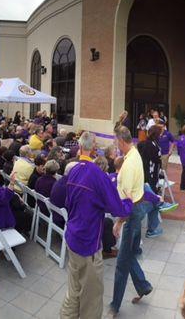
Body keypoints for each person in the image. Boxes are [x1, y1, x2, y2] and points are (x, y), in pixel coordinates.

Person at [60, 131, 133, 319]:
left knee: (74, 289)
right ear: (94, 148)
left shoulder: (73, 170)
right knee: (92, 298)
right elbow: (118, 209)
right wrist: (129, 201)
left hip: (72, 236)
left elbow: (68, 203)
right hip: (88, 244)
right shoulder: (97, 175)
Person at [109, 126, 159, 316]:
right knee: (128, 254)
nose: (115, 144)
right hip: (137, 211)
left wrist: (119, 222)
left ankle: (114, 305)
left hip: (131, 215)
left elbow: (127, 201)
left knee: (122, 264)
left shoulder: (129, 164)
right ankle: (143, 285)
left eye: (116, 141)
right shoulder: (134, 154)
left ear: (122, 141)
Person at [137, 124, 162, 192]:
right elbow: (154, 158)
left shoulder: (153, 142)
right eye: (159, 134)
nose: (160, 136)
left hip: (153, 168)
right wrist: (159, 159)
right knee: (151, 184)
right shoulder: (149, 144)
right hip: (151, 169)